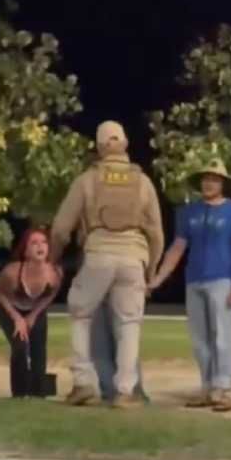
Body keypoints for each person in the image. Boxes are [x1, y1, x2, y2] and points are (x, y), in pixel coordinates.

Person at [51, 120, 164, 408]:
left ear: (99, 148)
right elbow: (156, 234)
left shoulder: (87, 180)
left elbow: (61, 228)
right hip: (133, 257)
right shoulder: (142, 182)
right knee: (129, 324)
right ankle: (125, 391)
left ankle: (83, 382)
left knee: (81, 314)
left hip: (98, 254)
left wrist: (53, 258)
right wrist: (150, 270)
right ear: (125, 144)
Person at [150, 158, 231, 412]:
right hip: (194, 280)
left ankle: (223, 388)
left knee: (222, 335)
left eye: (214, 180)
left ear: (223, 184)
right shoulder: (189, 212)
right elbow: (177, 248)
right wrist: (158, 278)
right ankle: (207, 387)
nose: (209, 184)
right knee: (200, 338)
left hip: (222, 280)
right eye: (206, 179)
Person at [0, 228, 62, 398]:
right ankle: (19, 393)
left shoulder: (55, 273)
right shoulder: (12, 272)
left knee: (39, 349)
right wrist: (17, 318)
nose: (40, 246)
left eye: (44, 242)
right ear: (25, 251)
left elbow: (51, 294)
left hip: (35, 309)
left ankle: (38, 394)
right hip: (9, 308)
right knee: (20, 345)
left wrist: (33, 315)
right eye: (34, 243)